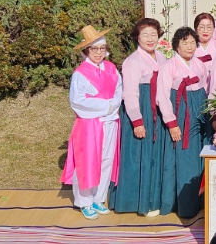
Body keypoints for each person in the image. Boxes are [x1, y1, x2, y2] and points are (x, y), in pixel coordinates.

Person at [60, 25, 123, 220]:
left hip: (110, 122)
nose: (98, 52)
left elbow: (119, 90)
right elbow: (77, 101)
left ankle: (99, 198)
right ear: (86, 50)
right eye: (94, 49)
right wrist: (107, 105)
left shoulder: (111, 68)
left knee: (106, 160)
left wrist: (113, 105)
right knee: (87, 162)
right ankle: (84, 201)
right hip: (90, 124)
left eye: (102, 48)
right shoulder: (80, 73)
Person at [108, 18, 167, 216]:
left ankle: (153, 199)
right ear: (137, 38)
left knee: (155, 155)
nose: (150, 39)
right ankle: (138, 202)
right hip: (141, 109)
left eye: (153, 34)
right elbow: (130, 93)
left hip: (157, 109)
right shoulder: (132, 61)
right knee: (140, 155)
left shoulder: (161, 57)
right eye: (145, 35)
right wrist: (137, 121)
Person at [157, 26, 211, 218]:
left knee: (202, 153)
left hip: (201, 110)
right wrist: (172, 123)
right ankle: (185, 205)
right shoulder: (168, 66)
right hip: (181, 111)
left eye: (192, 42)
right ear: (176, 45)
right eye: (184, 42)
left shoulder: (200, 64)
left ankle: (202, 201)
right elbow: (162, 97)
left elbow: (207, 88)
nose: (189, 46)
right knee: (185, 157)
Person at [193, 12, 216, 77]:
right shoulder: (189, 48)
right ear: (195, 29)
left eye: (209, 27)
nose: (205, 31)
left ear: (213, 29)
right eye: (202, 27)